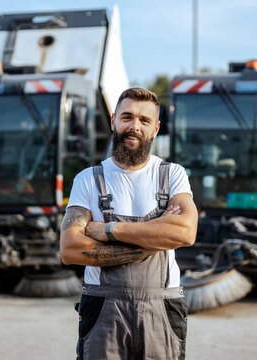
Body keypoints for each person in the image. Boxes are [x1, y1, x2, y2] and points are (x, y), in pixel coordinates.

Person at [60, 87, 198, 360]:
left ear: (156, 128)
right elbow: (71, 249)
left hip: (162, 307)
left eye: (144, 120)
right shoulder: (88, 179)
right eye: (127, 117)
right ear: (113, 121)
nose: (135, 126)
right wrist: (154, 238)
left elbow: (185, 232)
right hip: (103, 309)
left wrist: (109, 230)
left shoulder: (173, 175)